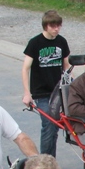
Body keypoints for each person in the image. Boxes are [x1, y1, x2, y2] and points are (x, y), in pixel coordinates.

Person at [22, 10, 70, 157]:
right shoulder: (35, 43)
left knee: (57, 125)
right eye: (53, 26)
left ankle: (50, 159)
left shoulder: (61, 42)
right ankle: (45, 161)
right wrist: (27, 93)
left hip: (58, 91)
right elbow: (25, 68)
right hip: (41, 92)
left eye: (59, 26)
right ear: (46, 26)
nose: (57, 29)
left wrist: (71, 87)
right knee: (49, 124)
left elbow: (67, 67)